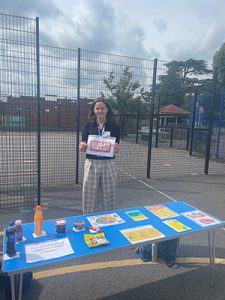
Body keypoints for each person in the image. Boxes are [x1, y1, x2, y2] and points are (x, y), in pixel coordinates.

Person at [79, 98, 120, 214]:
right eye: (97, 108)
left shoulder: (114, 127)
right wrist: (82, 146)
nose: (100, 111)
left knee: (109, 193)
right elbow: (83, 144)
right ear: (93, 110)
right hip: (92, 163)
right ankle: (88, 218)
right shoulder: (88, 125)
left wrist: (117, 148)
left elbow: (116, 148)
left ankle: (111, 218)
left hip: (108, 164)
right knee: (89, 193)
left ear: (107, 110)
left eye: (102, 108)